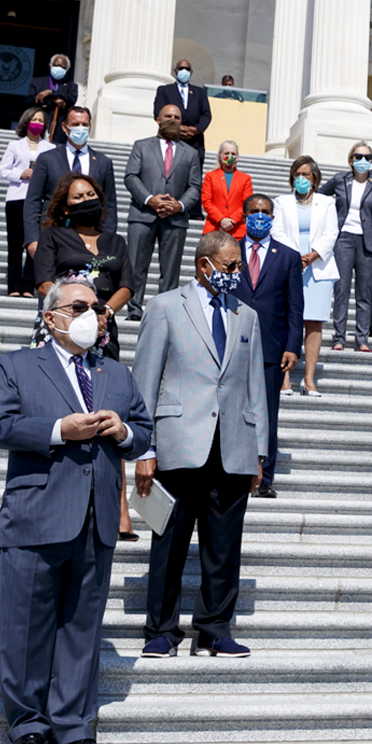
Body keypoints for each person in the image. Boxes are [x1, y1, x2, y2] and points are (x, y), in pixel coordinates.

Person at [0, 277, 153, 744]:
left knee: (82, 628)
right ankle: (29, 725)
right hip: (35, 514)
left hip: (95, 517)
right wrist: (59, 430)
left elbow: (143, 431)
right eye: (80, 306)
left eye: (97, 307)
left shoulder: (116, 374)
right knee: (26, 627)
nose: (93, 314)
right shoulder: (16, 365)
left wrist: (124, 432)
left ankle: (72, 726)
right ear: (51, 315)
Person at [133, 233, 268, 659]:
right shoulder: (166, 306)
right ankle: (161, 629)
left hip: (233, 447)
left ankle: (213, 629)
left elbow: (255, 388)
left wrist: (260, 452)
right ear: (203, 265)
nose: (236, 273)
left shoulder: (246, 315)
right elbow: (144, 381)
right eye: (229, 266)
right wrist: (144, 449)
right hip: (178, 443)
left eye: (238, 266)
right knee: (169, 542)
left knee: (225, 546)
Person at [228, 194, 303, 495]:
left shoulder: (287, 256)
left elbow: (296, 306)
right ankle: (231, 470)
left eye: (266, 212)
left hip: (272, 345)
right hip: (232, 341)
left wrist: (293, 346)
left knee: (266, 412)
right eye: (254, 211)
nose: (260, 216)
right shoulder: (229, 250)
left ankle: (264, 476)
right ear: (244, 214)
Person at [31, 174, 133, 362]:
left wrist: (104, 313)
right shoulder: (52, 237)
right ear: (65, 207)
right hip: (64, 323)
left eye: (90, 194)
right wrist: (77, 312)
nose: (86, 200)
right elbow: (44, 284)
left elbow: (126, 286)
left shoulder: (116, 241)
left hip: (101, 325)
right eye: (78, 197)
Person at [125, 106, 200, 319]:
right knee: (136, 265)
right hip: (142, 215)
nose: (173, 120)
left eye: (177, 117)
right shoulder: (141, 146)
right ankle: (134, 309)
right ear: (158, 119)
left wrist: (180, 205)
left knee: (170, 270)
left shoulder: (191, 153)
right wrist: (150, 199)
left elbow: (195, 186)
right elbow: (131, 176)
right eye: (168, 116)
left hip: (175, 219)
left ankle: (164, 312)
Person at [271, 157, 337, 397]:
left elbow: (332, 232)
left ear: (315, 178)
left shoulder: (327, 202)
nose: (302, 178)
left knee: (314, 323)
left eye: (306, 174)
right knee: (287, 319)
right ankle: (285, 377)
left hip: (318, 268)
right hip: (289, 265)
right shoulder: (282, 202)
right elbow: (276, 231)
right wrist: (293, 257)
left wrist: (312, 255)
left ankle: (309, 379)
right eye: (297, 174)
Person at [322, 141, 372, 351]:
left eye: (367, 157)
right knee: (342, 290)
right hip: (343, 239)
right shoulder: (339, 180)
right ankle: (339, 337)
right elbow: (319, 196)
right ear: (350, 160)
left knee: (364, 293)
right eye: (358, 156)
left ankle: (362, 339)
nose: (362, 161)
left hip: (368, 244)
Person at [24, 106, 115, 251]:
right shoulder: (47, 159)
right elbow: (32, 201)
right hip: (51, 234)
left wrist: (107, 240)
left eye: (84, 125)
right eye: (75, 124)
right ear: (65, 127)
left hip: (89, 238)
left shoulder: (103, 162)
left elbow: (109, 205)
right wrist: (32, 239)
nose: (81, 128)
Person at [0, 108, 49, 297]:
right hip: (17, 198)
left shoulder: (49, 148)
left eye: (41, 120)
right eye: (34, 119)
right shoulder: (14, 146)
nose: (37, 123)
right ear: (26, 122)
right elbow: (1, 171)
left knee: (35, 243)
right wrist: (20, 174)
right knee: (15, 244)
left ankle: (29, 287)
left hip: (38, 202)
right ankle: (14, 287)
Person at [195, 137, 250, 245]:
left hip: (237, 231)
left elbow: (247, 204)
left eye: (233, 154)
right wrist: (221, 219)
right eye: (226, 153)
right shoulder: (210, 176)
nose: (230, 156)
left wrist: (232, 220)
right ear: (220, 155)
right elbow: (206, 201)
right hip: (214, 228)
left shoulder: (245, 179)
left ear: (237, 157)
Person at [152, 59, 212, 149]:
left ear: (191, 73)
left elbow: (206, 115)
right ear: (175, 71)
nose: (184, 71)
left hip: (194, 141)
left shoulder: (200, 92)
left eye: (187, 69)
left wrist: (196, 129)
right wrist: (176, 128)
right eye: (181, 68)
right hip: (170, 138)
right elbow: (158, 112)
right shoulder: (164, 90)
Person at [28, 52, 77, 141]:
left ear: (67, 70)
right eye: (56, 65)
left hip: (58, 130)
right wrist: (52, 101)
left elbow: (72, 99)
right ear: (50, 66)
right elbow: (29, 100)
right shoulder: (37, 82)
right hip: (38, 125)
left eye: (62, 67)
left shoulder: (72, 86)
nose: (59, 68)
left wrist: (50, 92)